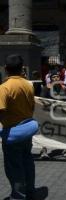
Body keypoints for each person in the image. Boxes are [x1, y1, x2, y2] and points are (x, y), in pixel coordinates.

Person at [0, 54, 36, 199]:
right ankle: (30, 190)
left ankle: (18, 196)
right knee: (27, 161)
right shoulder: (28, 85)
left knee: (14, 167)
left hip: (12, 133)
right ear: (22, 69)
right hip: (27, 130)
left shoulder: (4, 88)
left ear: (5, 69)